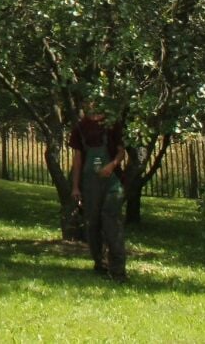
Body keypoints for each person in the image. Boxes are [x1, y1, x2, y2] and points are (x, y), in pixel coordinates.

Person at [69, 99, 127, 282]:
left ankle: (118, 271)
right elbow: (78, 159)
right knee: (92, 224)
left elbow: (121, 152)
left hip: (112, 183)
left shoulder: (112, 124)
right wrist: (75, 186)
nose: (92, 104)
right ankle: (100, 264)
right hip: (89, 184)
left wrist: (112, 165)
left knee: (110, 222)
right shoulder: (80, 128)